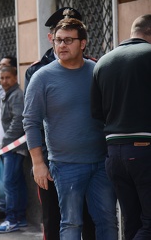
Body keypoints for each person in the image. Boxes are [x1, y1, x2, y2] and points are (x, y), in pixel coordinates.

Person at [23, 17, 118, 239]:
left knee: (107, 222)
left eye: (68, 40)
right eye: (57, 41)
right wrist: (38, 164)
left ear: (82, 43)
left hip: (101, 164)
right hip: (65, 166)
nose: (61, 45)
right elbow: (30, 121)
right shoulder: (41, 77)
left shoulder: (97, 71)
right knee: (71, 223)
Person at [91, 14, 151, 240]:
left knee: (131, 221)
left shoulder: (103, 62)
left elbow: (96, 113)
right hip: (145, 149)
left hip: (114, 154)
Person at [0, 66, 27, 234]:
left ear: (15, 78)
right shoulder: (4, 94)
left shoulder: (16, 95)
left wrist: (6, 141)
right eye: (2, 78)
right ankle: (20, 216)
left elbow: (19, 120)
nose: (4, 81)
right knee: (16, 182)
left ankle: (12, 219)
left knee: (9, 183)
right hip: (6, 146)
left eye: (8, 77)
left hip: (13, 147)